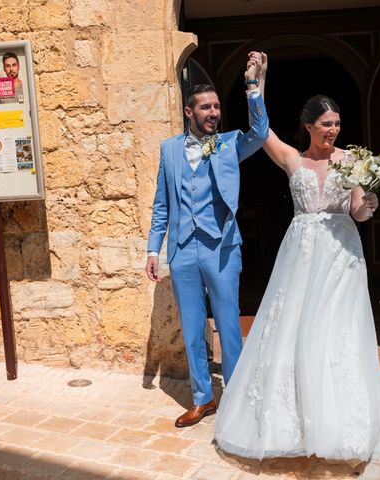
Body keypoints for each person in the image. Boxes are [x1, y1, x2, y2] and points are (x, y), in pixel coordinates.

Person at [214, 53, 380, 462]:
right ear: (309, 126)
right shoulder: (292, 159)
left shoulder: (352, 160)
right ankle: (292, 416)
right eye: (326, 125)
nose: (333, 131)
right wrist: (255, 84)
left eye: (337, 124)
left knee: (336, 326)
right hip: (300, 253)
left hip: (341, 253)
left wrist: (369, 203)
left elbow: (357, 210)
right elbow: (260, 131)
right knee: (293, 325)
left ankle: (338, 417)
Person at [145, 52, 269, 427]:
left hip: (221, 247)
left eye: (216, 106)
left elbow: (260, 133)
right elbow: (161, 204)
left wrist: (252, 86)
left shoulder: (230, 142)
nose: (214, 112)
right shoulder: (168, 149)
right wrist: (154, 248)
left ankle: (236, 394)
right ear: (189, 111)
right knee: (192, 325)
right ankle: (203, 398)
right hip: (182, 249)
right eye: (206, 107)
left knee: (229, 323)